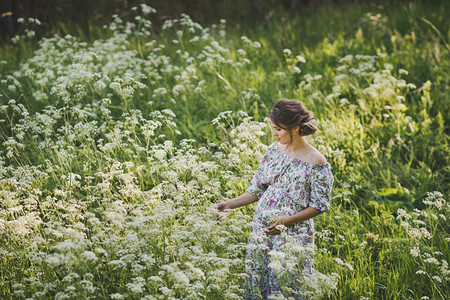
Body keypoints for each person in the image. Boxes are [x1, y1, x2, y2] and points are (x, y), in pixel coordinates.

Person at [217, 99, 334, 299]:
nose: (275, 134)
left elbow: (319, 205)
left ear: (295, 128)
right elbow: (256, 189)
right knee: (257, 280)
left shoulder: (316, 161)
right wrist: (229, 205)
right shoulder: (274, 150)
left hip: (292, 233)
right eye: (274, 128)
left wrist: (286, 222)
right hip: (262, 229)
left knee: (284, 282)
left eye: (279, 129)